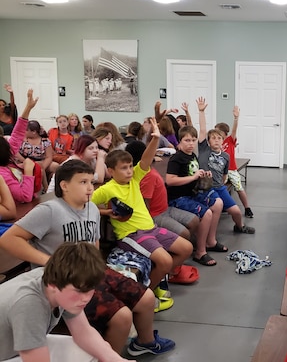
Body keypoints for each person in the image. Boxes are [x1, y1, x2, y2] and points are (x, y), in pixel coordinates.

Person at [0, 160, 176, 355]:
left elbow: (95, 242)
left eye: (91, 183)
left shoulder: (91, 208)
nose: (90, 188)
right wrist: (48, 261)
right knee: (122, 316)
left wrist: (99, 266)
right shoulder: (49, 211)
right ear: (64, 186)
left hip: (92, 270)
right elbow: (9, 239)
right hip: (66, 280)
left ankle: (145, 343)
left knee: (147, 298)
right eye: (83, 182)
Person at [91, 118, 194, 290]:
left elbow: (145, 160)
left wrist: (155, 138)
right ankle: (146, 293)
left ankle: (160, 275)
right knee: (165, 260)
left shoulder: (134, 180)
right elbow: (86, 206)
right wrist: (105, 213)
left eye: (130, 166)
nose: (130, 171)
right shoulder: (107, 189)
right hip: (132, 235)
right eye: (124, 168)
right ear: (111, 171)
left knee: (186, 248)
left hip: (151, 228)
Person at [0, 242, 134, 362]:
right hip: (7, 353)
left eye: (90, 289)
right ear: (53, 285)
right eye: (79, 291)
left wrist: (116, 359)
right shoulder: (29, 305)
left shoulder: (55, 279)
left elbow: (83, 331)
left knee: (98, 349)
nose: (86, 298)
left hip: (12, 348)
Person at [166, 108, 226, 267]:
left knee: (218, 203)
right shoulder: (176, 158)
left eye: (193, 140)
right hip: (178, 198)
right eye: (187, 140)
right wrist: (193, 177)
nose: (191, 143)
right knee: (206, 213)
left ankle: (210, 241)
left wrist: (202, 174)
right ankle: (200, 252)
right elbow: (170, 180)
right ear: (179, 141)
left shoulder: (192, 155)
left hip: (192, 192)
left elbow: (193, 172)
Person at [197, 98, 255, 234]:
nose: (216, 140)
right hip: (206, 188)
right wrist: (201, 112)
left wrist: (236, 118)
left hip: (220, 187)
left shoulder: (226, 156)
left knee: (236, 212)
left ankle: (240, 227)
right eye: (213, 138)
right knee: (215, 208)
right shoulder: (204, 150)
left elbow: (224, 174)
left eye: (219, 138)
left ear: (223, 140)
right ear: (208, 141)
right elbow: (203, 130)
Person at [0, 88, 42, 203]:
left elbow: (17, 133)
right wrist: (28, 170)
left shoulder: (6, 153)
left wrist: (28, 108)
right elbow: (24, 197)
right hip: (18, 211)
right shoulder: (2, 173)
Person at [215, 105, 254, 218]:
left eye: (218, 132)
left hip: (231, 169)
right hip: (220, 171)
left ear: (224, 133)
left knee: (239, 187)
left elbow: (234, 130)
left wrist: (236, 118)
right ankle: (222, 205)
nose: (216, 135)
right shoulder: (215, 142)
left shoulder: (230, 140)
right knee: (219, 186)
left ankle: (247, 207)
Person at [18, 119, 54, 191]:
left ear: (34, 132)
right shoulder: (22, 139)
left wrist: (43, 165)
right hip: (24, 160)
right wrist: (26, 162)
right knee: (37, 166)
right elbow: (16, 153)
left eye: (26, 130)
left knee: (54, 166)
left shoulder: (45, 141)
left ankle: (48, 188)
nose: (24, 132)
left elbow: (49, 156)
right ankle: (43, 188)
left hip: (40, 161)